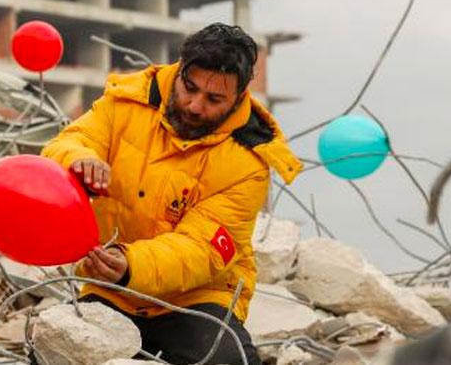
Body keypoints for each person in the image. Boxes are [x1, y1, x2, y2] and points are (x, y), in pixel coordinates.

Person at [40, 23, 301, 365]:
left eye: (213, 99)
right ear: (179, 70)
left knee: (228, 360)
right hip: (111, 289)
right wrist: (80, 160)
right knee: (56, 352)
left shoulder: (251, 158)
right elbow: (65, 144)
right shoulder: (126, 100)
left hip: (196, 297)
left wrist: (130, 264)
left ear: (238, 98)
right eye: (189, 88)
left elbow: (202, 250)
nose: (194, 105)